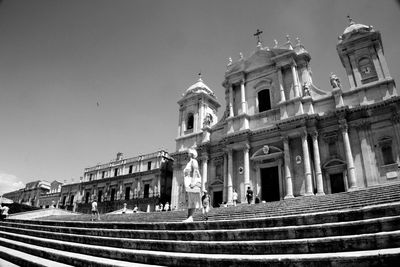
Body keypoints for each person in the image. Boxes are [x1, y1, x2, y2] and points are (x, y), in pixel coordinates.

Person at [182, 148, 202, 222]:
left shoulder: (194, 161)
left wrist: (193, 183)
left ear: (192, 154)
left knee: (193, 200)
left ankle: (191, 217)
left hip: (192, 183)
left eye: (189, 153)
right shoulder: (189, 162)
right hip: (188, 183)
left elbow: (195, 171)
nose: (187, 154)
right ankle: (189, 217)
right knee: (190, 201)